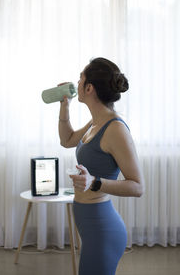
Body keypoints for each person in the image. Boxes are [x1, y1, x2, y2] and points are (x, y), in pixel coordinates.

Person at [58, 57, 144, 275]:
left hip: (102, 228)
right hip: (90, 225)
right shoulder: (96, 122)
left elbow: (137, 186)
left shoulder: (115, 129)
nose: (76, 84)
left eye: (80, 79)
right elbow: (67, 140)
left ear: (89, 88)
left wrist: (94, 181)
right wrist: (64, 105)